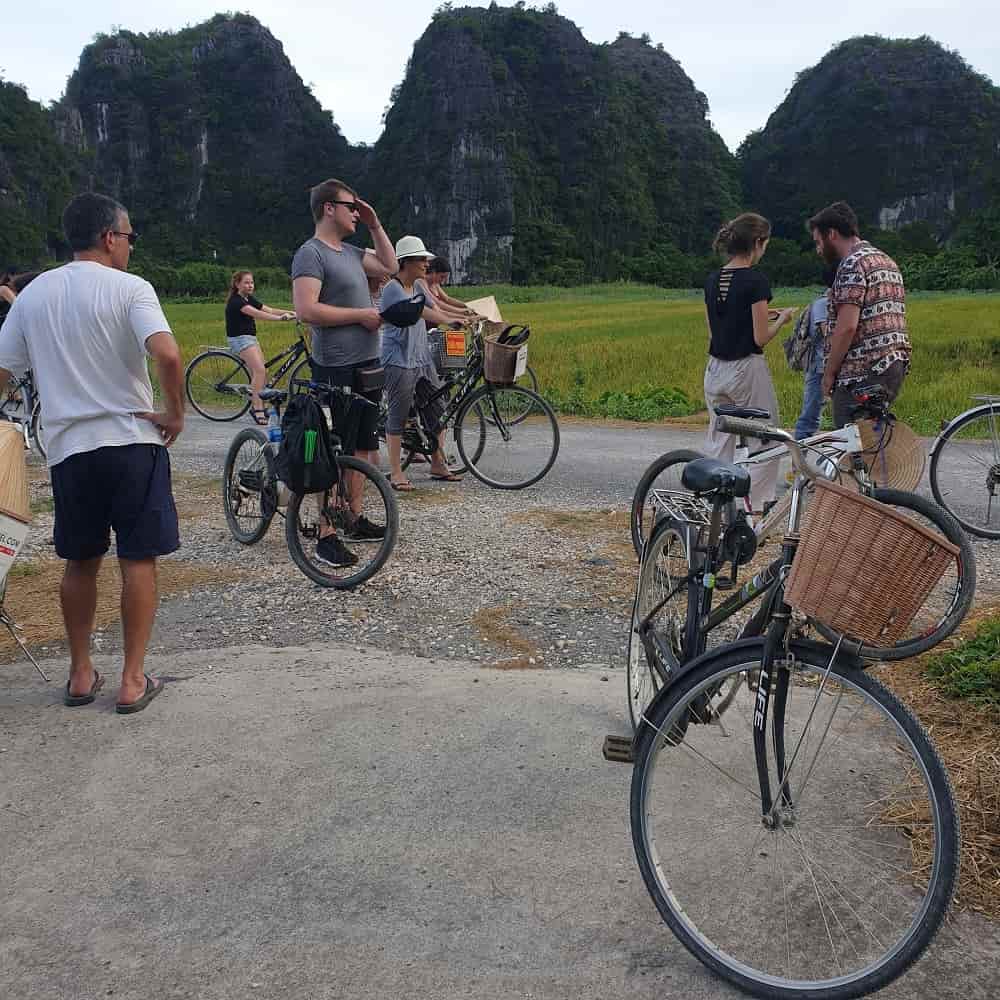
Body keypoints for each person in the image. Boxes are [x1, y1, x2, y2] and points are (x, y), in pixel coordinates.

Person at [0, 192, 184, 714]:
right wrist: (174, 412)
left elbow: (2, 372)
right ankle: (131, 679)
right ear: (109, 237)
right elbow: (168, 353)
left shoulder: (33, 295)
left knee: (79, 561)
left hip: (70, 451)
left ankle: (81, 674)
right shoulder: (131, 288)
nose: (130, 246)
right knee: (137, 559)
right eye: (129, 237)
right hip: (131, 443)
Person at [291, 178, 397, 567]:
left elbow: (389, 266)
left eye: (357, 206)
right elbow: (307, 310)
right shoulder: (311, 254)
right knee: (331, 449)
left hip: (368, 363)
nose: (356, 211)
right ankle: (325, 532)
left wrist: (375, 223)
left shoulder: (352, 253)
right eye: (350, 206)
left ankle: (351, 516)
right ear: (328, 208)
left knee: (362, 445)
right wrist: (362, 315)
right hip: (335, 365)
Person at [703, 212, 795, 514]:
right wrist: (781, 320)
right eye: (765, 243)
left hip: (715, 370)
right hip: (746, 370)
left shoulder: (713, 279)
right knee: (766, 437)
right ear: (757, 242)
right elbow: (759, 338)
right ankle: (752, 510)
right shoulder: (756, 281)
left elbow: (718, 327)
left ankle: (715, 506)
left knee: (720, 439)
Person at [808, 201, 910, 427]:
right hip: (892, 366)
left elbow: (847, 327)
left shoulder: (852, 264)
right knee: (873, 444)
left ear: (832, 234)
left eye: (818, 241)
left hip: (861, 373)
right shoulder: (885, 260)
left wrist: (829, 373)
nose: (818, 249)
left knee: (851, 446)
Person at [380, 236, 465, 491]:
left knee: (437, 408)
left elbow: (435, 307)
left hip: (421, 356)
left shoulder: (417, 285)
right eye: (420, 259)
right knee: (398, 413)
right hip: (399, 359)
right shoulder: (393, 289)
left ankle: (438, 463)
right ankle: (395, 472)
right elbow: (421, 312)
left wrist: (461, 316)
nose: (426, 264)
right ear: (405, 262)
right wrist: (450, 321)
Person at [225, 270, 295, 423]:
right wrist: (280, 319)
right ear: (237, 284)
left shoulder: (248, 298)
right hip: (240, 340)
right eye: (246, 283)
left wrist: (291, 312)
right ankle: (257, 409)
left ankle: (259, 404)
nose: (250, 285)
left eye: (251, 282)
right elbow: (258, 314)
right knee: (259, 370)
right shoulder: (237, 301)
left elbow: (268, 309)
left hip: (250, 338)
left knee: (263, 371)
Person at [793, 267, 836, 440]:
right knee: (810, 418)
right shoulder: (823, 304)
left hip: (832, 367)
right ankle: (799, 463)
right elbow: (829, 336)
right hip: (819, 368)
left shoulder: (836, 303)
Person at [424, 257, 475, 322]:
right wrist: (463, 313)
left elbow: (447, 299)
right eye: (442, 277)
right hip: (430, 325)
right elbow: (438, 304)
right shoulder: (421, 282)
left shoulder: (435, 284)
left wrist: (467, 305)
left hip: (438, 322)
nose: (443, 281)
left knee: (461, 331)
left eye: (445, 278)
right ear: (433, 272)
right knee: (459, 331)